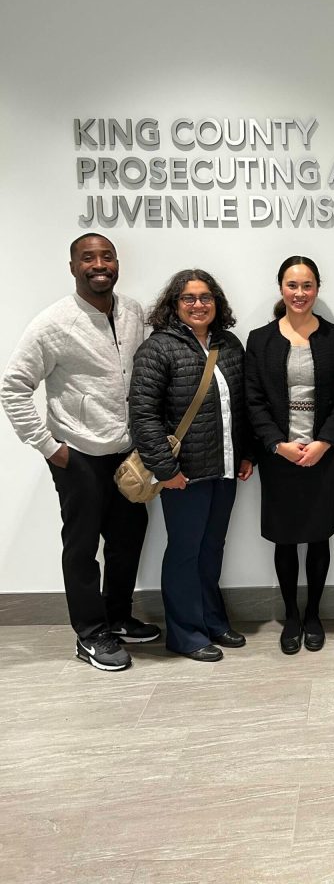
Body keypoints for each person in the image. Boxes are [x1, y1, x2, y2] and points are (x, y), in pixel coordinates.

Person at [1, 234, 158, 672]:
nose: (99, 264)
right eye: (88, 258)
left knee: (128, 539)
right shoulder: (52, 323)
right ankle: (90, 634)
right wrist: (49, 447)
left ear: (117, 263)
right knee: (83, 546)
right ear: (73, 267)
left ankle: (118, 617)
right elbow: (13, 387)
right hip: (79, 455)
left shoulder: (133, 312)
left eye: (107, 256)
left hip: (127, 453)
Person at [129, 269, 253, 662]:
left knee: (212, 548)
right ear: (174, 304)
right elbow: (143, 416)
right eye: (189, 298)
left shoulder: (229, 344)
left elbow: (242, 405)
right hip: (183, 475)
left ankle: (212, 621)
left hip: (225, 468)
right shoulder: (158, 349)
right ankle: (185, 634)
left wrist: (246, 453)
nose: (198, 304)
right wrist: (167, 471)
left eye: (205, 297)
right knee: (185, 551)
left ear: (217, 303)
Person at [245, 257, 334, 655]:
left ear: (317, 289)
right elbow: (253, 399)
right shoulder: (260, 339)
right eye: (292, 285)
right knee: (285, 538)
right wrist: (277, 444)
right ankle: (291, 615)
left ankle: (314, 614)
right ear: (281, 288)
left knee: (319, 536)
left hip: (323, 454)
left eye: (307, 285)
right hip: (279, 456)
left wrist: (324, 442)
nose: (300, 293)